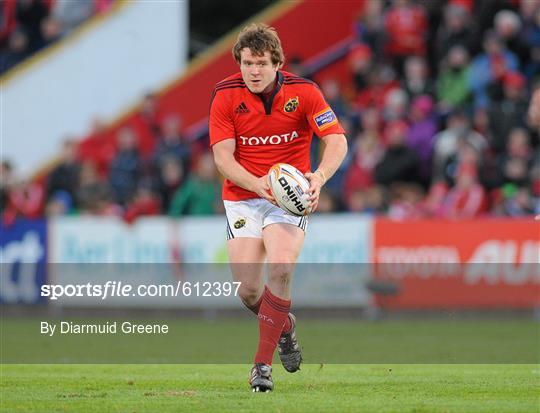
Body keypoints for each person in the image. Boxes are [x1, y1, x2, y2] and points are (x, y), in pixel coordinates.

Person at [209, 23, 347, 392]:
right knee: (249, 291)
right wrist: (257, 184)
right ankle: (283, 325)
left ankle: (260, 368)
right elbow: (223, 158)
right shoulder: (224, 95)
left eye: (261, 64)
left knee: (282, 267)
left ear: (277, 63)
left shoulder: (305, 92)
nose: (253, 71)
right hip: (244, 196)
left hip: (289, 197)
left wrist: (317, 177)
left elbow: (335, 140)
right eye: (247, 63)